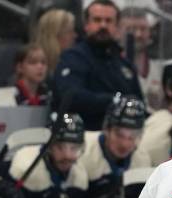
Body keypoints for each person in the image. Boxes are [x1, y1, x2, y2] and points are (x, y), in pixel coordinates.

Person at [53, 0, 144, 130]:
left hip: (124, 137)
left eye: (108, 21)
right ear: (86, 25)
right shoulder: (73, 58)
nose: (103, 25)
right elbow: (71, 98)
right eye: (97, 20)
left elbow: (138, 102)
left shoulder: (125, 65)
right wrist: (114, 101)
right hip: (81, 134)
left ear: (117, 26)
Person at [81, 94, 150, 198]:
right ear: (106, 129)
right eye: (119, 135)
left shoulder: (142, 158)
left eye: (132, 137)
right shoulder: (83, 151)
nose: (125, 144)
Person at [8, 113, 88, 198]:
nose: (67, 155)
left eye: (74, 148)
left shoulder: (79, 177)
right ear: (48, 146)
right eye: (60, 147)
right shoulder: (24, 167)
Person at [118, 8, 165, 112]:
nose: (138, 34)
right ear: (118, 32)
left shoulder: (160, 69)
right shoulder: (111, 67)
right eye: (132, 29)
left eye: (143, 29)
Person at [34, 9, 77, 78]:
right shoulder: (35, 70)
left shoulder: (71, 62)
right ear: (54, 36)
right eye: (69, 32)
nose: (75, 35)